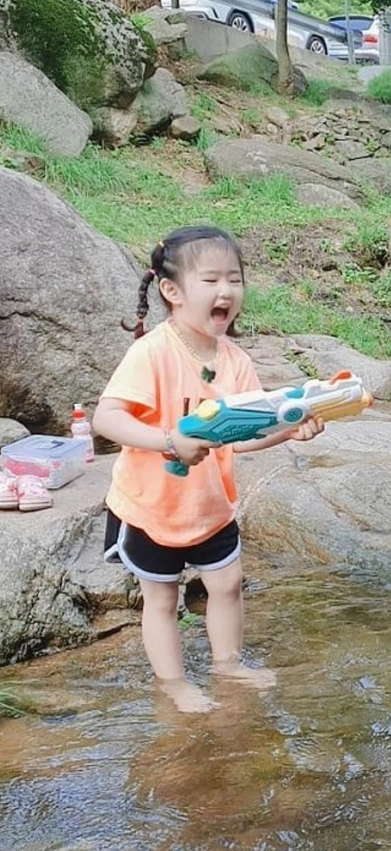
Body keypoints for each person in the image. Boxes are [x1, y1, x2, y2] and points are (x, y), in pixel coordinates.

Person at [94, 226, 325, 713]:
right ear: (172, 292)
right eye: (212, 280)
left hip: (211, 506)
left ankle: (227, 665)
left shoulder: (235, 361)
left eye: (235, 280)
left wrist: (289, 429)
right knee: (161, 601)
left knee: (227, 585)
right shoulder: (152, 352)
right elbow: (107, 419)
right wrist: (167, 440)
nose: (227, 291)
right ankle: (174, 685)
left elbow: (245, 437)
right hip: (152, 506)